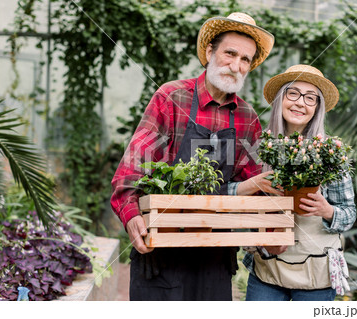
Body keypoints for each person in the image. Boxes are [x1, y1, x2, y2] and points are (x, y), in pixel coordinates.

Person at [110, 12, 274, 301]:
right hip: (161, 252)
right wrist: (132, 214)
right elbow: (132, 167)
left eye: (245, 60)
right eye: (230, 53)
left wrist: (272, 227)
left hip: (215, 256)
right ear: (210, 51)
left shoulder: (248, 118)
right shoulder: (172, 97)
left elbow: (256, 189)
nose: (236, 65)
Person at [229, 64, 356, 301]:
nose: (300, 102)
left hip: (316, 275)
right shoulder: (257, 148)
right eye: (293, 93)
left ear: (317, 108)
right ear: (280, 99)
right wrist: (260, 238)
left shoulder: (331, 153)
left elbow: (349, 214)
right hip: (267, 271)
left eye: (311, 98)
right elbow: (230, 201)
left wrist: (327, 210)